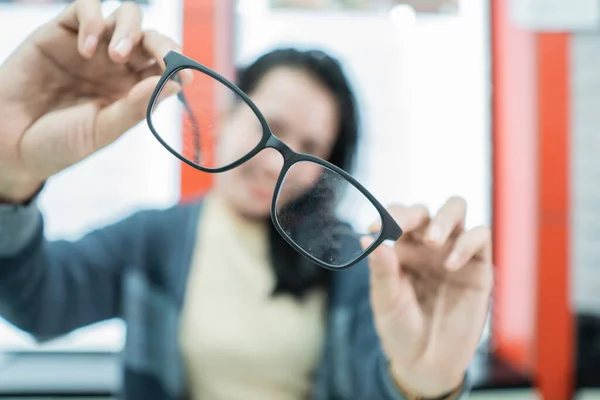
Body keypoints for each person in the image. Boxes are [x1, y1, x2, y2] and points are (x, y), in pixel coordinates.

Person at [0, 1, 493, 399]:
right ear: (230, 113)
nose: (275, 162)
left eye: (311, 149)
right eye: (271, 128)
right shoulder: (152, 240)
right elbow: (37, 305)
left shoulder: (351, 258)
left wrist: (423, 386)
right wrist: (10, 181)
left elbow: (374, 383)